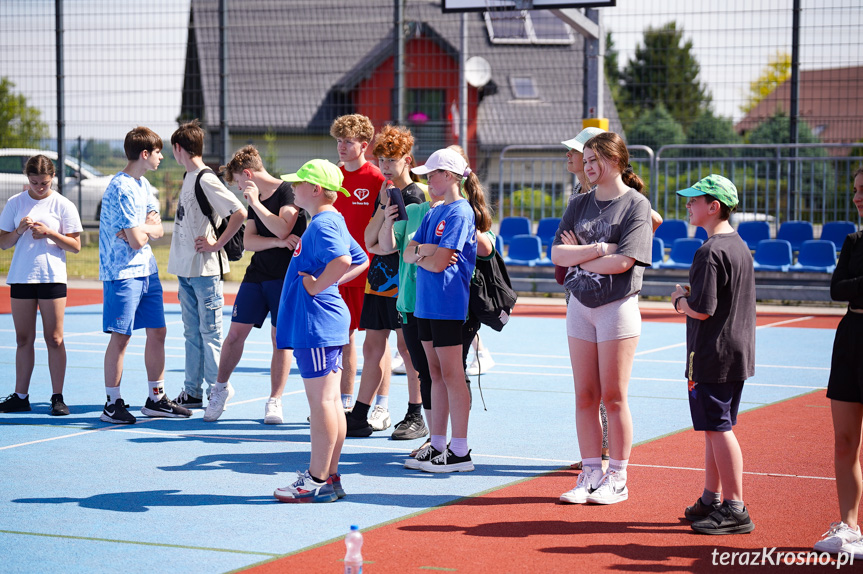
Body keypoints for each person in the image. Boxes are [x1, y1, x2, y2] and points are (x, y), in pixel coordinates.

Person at [552, 132, 653, 504]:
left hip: (617, 308)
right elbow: (558, 255)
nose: (590, 166)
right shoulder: (579, 204)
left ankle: (618, 477)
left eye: (596, 159)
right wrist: (595, 249)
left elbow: (624, 261)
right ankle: (590, 473)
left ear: (617, 161)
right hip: (579, 308)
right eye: (588, 159)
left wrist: (579, 253)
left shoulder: (636, 205)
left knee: (613, 397)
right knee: (585, 396)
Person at [273, 159, 369, 502]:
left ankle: (315, 480)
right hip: (323, 322)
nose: (292, 187)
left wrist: (319, 287)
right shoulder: (331, 220)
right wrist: (329, 285)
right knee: (328, 402)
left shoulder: (324, 224)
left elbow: (346, 261)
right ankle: (328, 477)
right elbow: (361, 260)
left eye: (298, 183)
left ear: (314, 189)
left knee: (322, 404)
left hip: (317, 323)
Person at [670, 174, 756, 534]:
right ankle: (711, 497)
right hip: (735, 351)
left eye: (694, 201)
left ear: (713, 206)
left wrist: (679, 301)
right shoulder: (737, 245)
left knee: (718, 428)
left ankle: (735, 505)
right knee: (714, 426)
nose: (689, 205)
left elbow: (702, 309)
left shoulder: (710, 251)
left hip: (713, 353)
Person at [402, 147, 492, 473]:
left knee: (453, 375)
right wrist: (428, 252)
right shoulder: (432, 212)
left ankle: (460, 450)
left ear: (449, 176)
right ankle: (438, 443)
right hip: (426, 304)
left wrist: (427, 254)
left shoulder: (460, 212)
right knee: (435, 373)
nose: (427, 179)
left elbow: (441, 263)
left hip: (449, 306)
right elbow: (410, 254)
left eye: (432, 174)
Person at [203, 145, 306, 424]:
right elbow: (250, 242)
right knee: (235, 335)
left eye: (238, 181)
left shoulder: (288, 191)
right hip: (256, 275)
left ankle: (275, 400)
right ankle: (220, 389)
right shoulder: (254, 199)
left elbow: (284, 226)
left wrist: (259, 207)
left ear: (247, 174)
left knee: (280, 340)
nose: (238, 188)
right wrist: (276, 242)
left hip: (285, 277)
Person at [98, 127, 190, 424]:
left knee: (158, 332)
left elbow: (158, 230)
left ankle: (155, 399)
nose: (162, 157)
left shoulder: (144, 186)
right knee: (121, 338)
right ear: (145, 154)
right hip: (122, 273)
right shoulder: (120, 187)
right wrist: (141, 230)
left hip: (147, 271)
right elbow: (137, 240)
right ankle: (112, 403)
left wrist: (141, 228)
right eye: (159, 152)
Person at [345, 125, 425, 437]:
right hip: (379, 280)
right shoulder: (386, 193)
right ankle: (361, 414)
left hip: (403, 280)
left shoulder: (415, 195)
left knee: (408, 349)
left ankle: (415, 414)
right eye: (382, 160)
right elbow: (369, 240)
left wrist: (382, 239)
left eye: (392, 160)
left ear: (407, 160)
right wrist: (381, 208)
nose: (385, 166)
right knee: (373, 346)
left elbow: (394, 245)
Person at [168, 119, 247, 421]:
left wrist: (216, 244)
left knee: (210, 333)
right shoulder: (189, 176)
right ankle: (192, 390)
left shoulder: (205, 178)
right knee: (192, 333)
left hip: (205, 270)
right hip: (186, 269)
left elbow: (239, 212)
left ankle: (218, 389)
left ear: (179, 148)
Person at [0, 155, 82, 416]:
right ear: (28, 179)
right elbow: (3, 243)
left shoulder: (63, 205)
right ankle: (20, 396)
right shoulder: (15, 203)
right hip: (22, 277)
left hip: (51, 277)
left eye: (44, 183)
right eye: (34, 182)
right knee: (23, 339)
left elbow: (76, 246)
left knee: (55, 339)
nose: (39, 187)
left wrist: (50, 233)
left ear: (53, 178)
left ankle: (57, 397)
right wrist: (19, 231)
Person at [813, 167, 863, 556]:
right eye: (855, 190)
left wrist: (855, 283)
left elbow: (849, 284)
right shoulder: (853, 240)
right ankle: (849, 526)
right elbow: (836, 289)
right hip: (850, 339)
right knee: (844, 442)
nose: (857, 197)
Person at [330, 114, 387, 412]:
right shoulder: (333, 178)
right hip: (342, 272)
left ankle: (381, 405)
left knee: (378, 341)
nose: (341, 146)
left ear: (364, 145)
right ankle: (345, 403)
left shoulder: (378, 179)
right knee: (344, 338)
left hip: (374, 272)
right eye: (339, 141)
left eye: (348, 142)